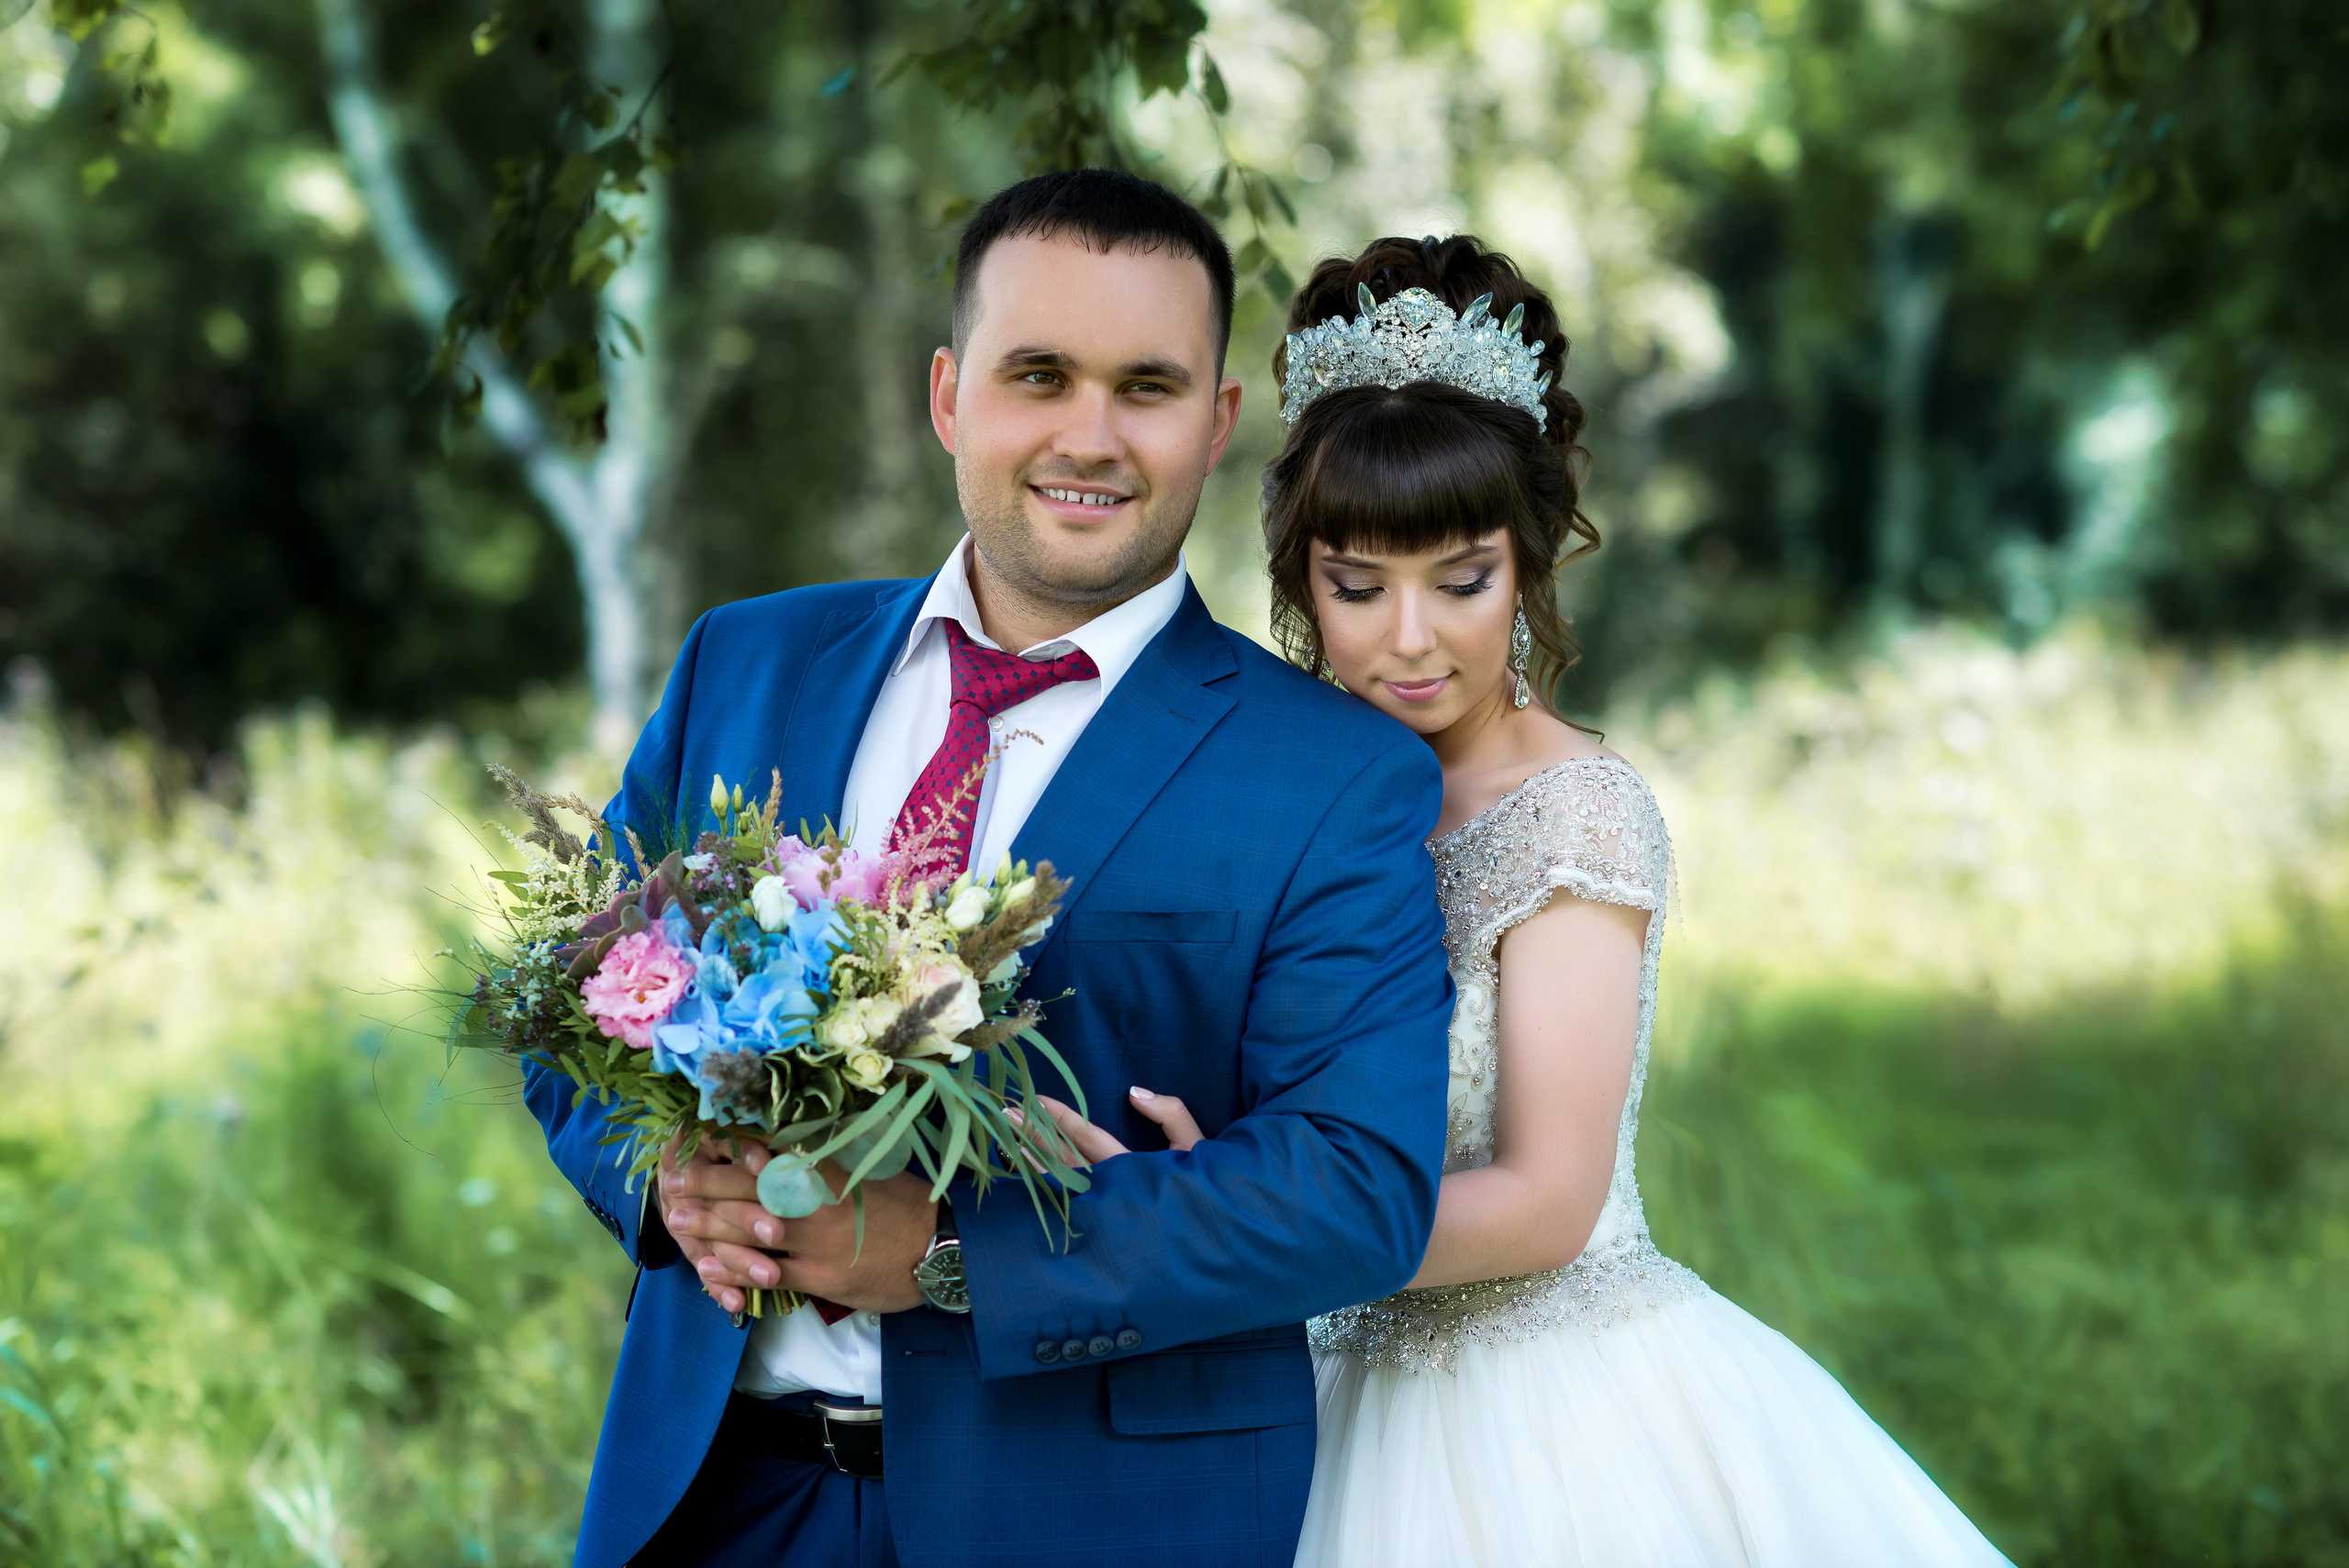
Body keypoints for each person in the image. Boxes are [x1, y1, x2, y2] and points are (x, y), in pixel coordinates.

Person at [1038, 236, 2016, 1567]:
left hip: (1544, 1415)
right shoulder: (1293, 798)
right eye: (1356, 586)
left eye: (1462, 579)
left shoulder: (1571, 813)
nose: (1411, 637)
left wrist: (1209, 1224)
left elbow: (1550, 1198)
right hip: (1315, 1392)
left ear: (1531, 562)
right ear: (1298, 578)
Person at [523, 172, 1457, 1568]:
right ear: (953, 395)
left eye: (1146, 386)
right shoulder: (748, 662)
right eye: (1040, 374)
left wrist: (954, 1251)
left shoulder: (1335, 775)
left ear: (1215, 427)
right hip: (718, 1499)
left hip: (1097, 1520)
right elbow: (575, 1000)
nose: (1091, 434)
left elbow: (1357, 1186)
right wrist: (666, 1179)